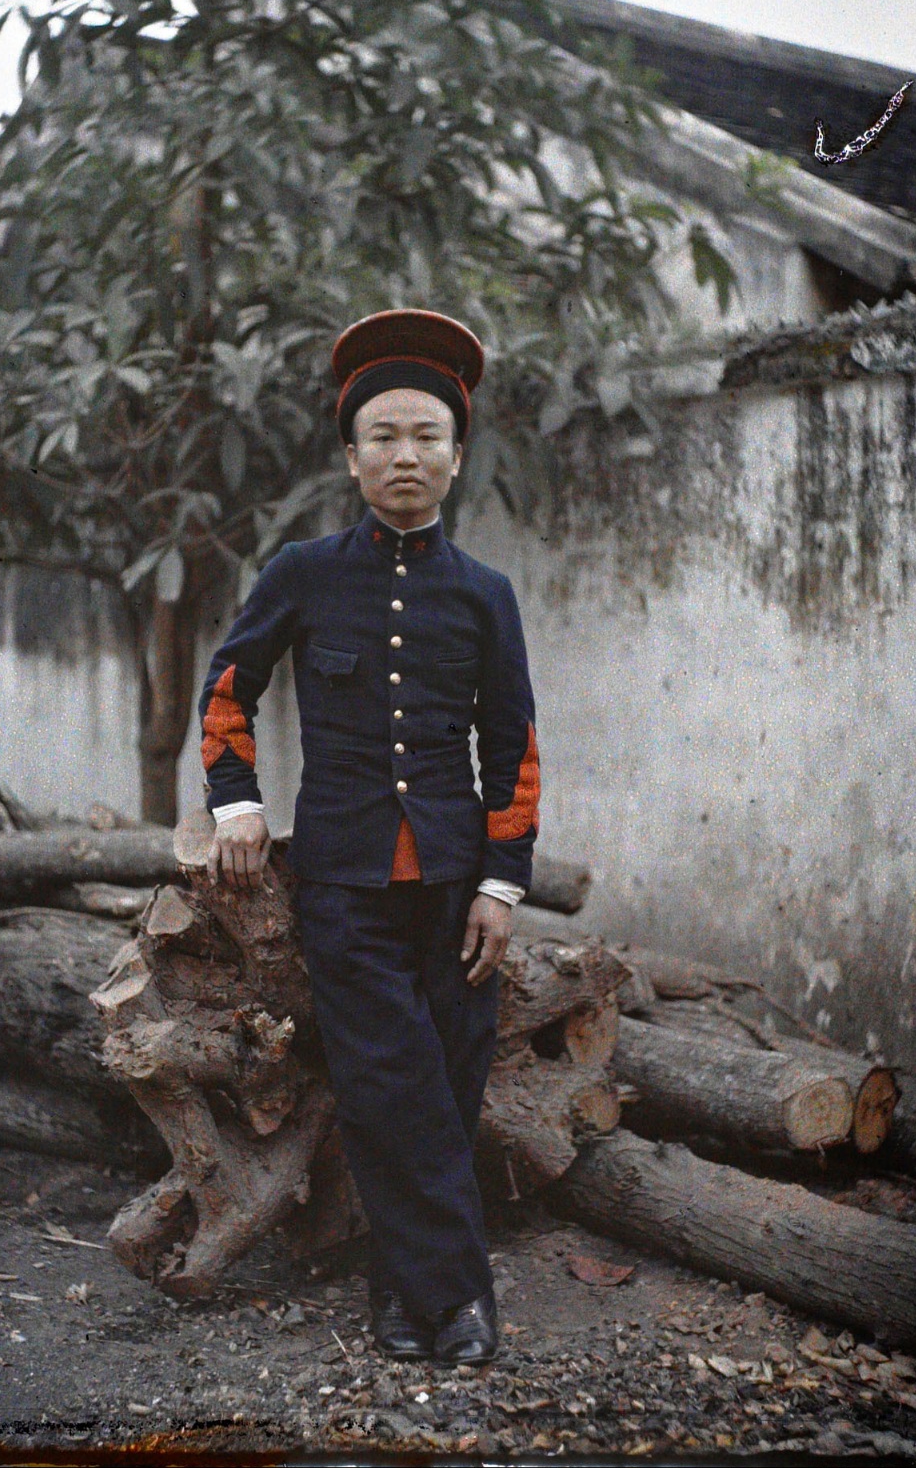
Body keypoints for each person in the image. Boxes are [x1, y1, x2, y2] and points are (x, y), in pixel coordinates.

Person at [186, 309, 540, 1366]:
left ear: (455, 454)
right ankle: (464, 1306)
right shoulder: (303, 572)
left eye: (425, 435)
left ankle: (399, 1297)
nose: (404, 455)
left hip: (454, 888)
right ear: (350, 458)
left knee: (445, 1087)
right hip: (341, 882)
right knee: (394, 1084)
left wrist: (502, 884)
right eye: (382, 435)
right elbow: (226, 688)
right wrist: (235, 801)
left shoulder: (484, 595)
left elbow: (512, 747)